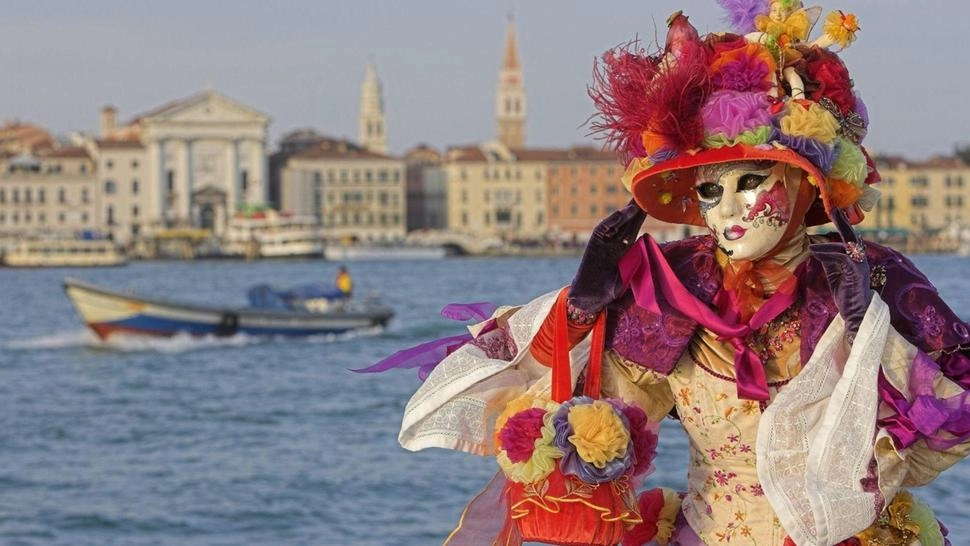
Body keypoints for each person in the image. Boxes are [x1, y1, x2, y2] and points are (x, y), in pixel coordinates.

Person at [383, 3, 970, 545]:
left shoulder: (874, 281)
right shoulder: (676, 288)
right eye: (710, 190)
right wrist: (582, 312)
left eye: (750, 182)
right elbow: (592, 431)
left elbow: (946, 433)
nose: (729, 211)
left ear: (802, 182)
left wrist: (871, 336)